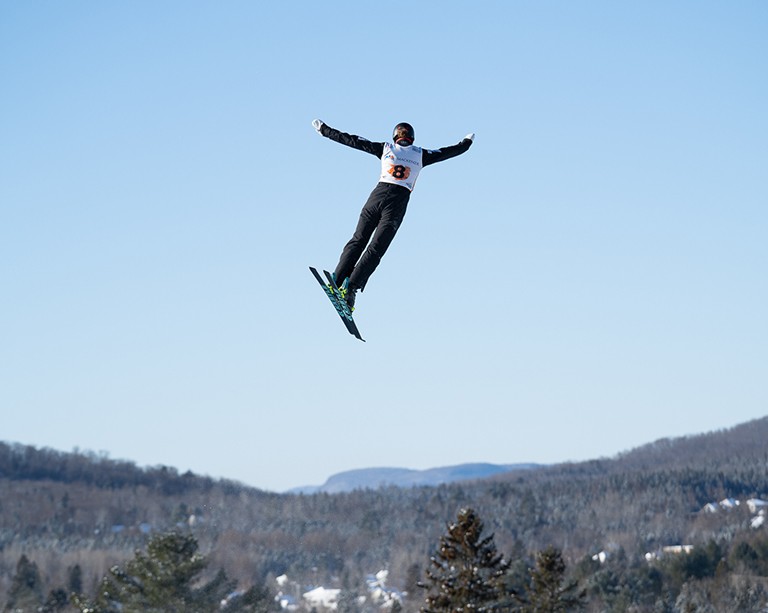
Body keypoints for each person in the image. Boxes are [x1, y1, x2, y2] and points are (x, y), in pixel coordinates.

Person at [311, 119, 474, 310]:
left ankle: (338, 279)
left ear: (395, 136)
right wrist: (466, 143)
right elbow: (449, 152)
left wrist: (325, 130)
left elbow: (353, 141)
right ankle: (351, 289)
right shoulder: (421, 154)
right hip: (397, 203)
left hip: (377, 197)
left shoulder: (386, 148)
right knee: (376, 248)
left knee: (359, 239)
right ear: (411, 138)